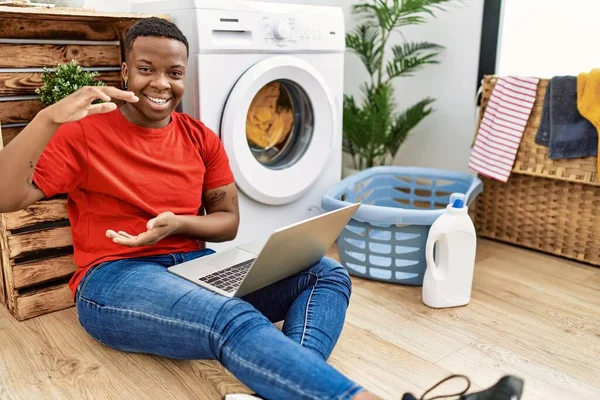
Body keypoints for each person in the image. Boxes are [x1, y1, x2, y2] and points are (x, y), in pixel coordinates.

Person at [0, 17, 524, 400]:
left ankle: (283, 391)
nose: (161, 84)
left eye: (174, 72)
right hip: (113, 282)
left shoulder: (199, 136)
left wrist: (179, 224)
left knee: (327, 274)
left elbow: (228, 224)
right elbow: (6, 199)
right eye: (146, 69)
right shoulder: (84, 135)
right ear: (125, 70)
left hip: (195, 267)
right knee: (232, 318)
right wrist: (48, 117)